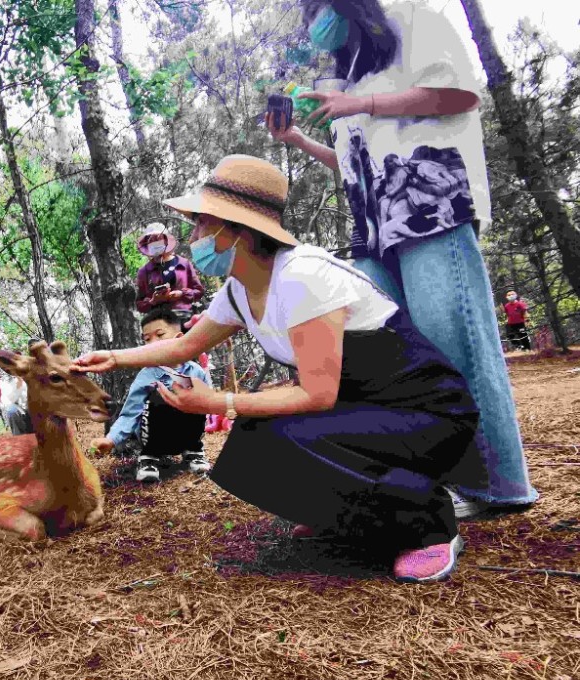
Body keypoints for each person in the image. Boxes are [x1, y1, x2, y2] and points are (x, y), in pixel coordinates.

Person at [75, 155, 482, 583]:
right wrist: (114, 358)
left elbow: (317, 395)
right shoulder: (239, 290)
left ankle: (429, 524)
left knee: (284, 433)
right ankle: (353, 520)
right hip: (361, 414)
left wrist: (218, 402)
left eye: (200, 223)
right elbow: (185, 345)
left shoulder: (302, 277)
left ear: (236, 230)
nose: (192, 236)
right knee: (253, 444)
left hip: (427, 416)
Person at [265, 0, 535, 518]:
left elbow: (459, 93)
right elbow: (353, 162)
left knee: (454, 341)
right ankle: (435, 481)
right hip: (371, 229)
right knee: (397, 359)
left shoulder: (415, 14)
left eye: (321, 5)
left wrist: (364, 106)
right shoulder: (348, 70)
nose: (315, 18)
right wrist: (296, 138)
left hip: (430, 206)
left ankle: (498, 486)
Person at [91, 308, 211, 482]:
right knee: (159, 395)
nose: (152, 343)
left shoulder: (196, 372)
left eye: (160, 335)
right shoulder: (147, 375)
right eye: (147, 339)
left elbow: (207, 405)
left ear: (179, 338)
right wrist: (111, 440)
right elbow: (131, 413)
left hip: (188, 434)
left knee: (197, 396)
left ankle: (193, 451)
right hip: (154, 438)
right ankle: (149, 457)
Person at [135, 222, 205, 322]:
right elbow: (139, 304)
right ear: (147, 245)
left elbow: (199, 291)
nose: (155, 242)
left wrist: (181, 294)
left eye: (158, 239)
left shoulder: (184, 264)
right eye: (151, 240)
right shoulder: (144, 271)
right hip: (159, 323)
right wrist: (153, 301)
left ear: (166, 241)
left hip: (184, 319)